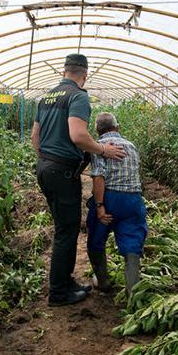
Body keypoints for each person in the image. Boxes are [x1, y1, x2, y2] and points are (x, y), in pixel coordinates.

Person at [31, 54, 126, 307]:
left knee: (64, 227)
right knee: (66, 231)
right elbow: (78, 135)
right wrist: (103, 150)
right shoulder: (78, 96)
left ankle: (65, 280)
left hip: (45, 168)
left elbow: (35, 138)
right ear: (84, 75)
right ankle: (59, 293)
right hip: (61, 172)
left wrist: (48, 161)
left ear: (64, 72)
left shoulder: (46, 97)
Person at [85, 112, 147, 296]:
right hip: (133, 199)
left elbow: (98, 177)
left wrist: (99, 206)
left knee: (96, 239)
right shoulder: (131, 146)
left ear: (97, 130)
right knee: (132, 241)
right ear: (117, 127)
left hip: (110, 198)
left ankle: (103, 281)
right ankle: (132, 290)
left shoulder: (100, 147)